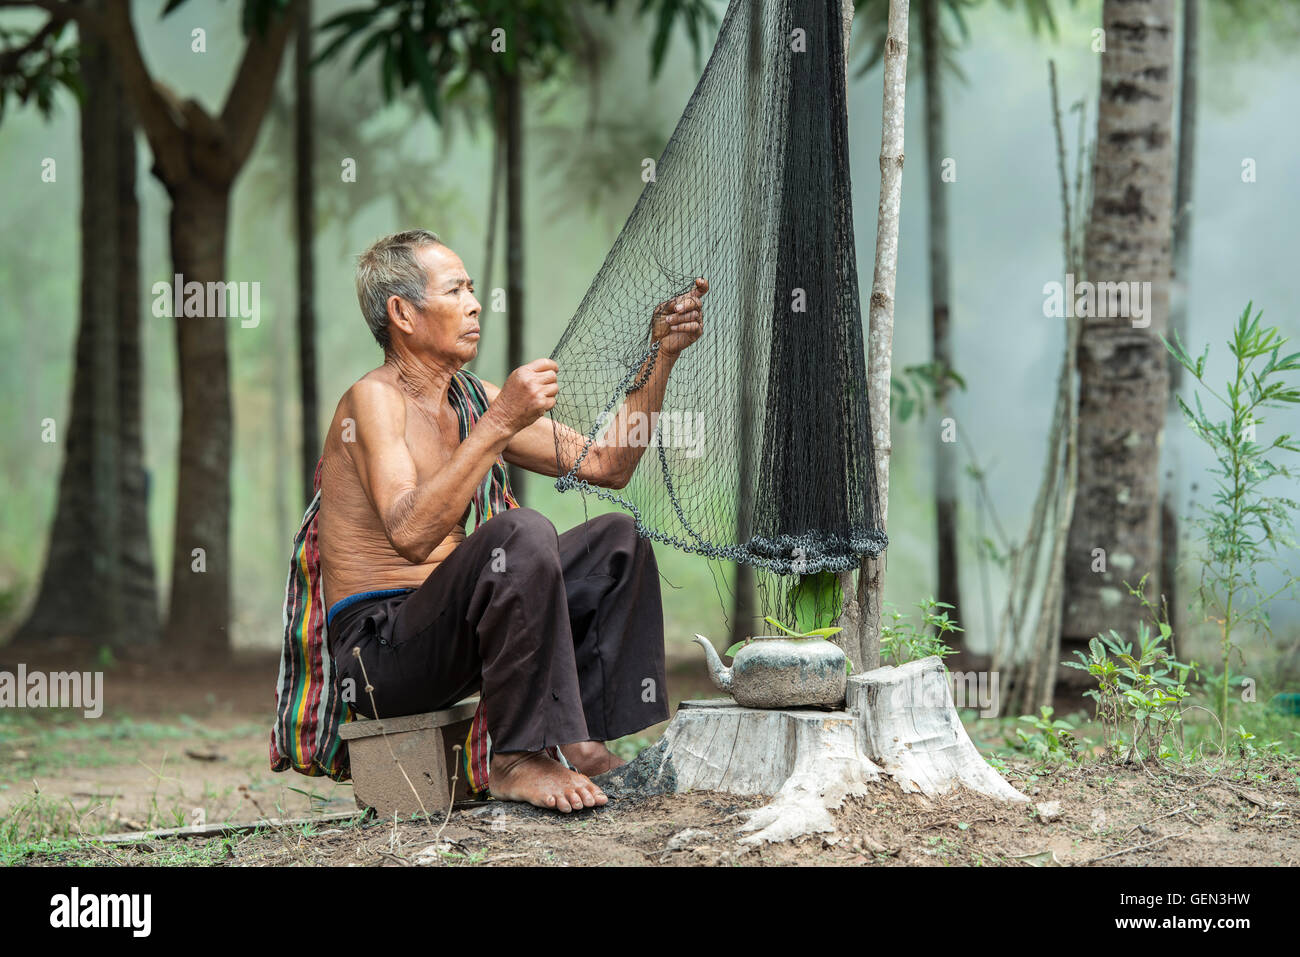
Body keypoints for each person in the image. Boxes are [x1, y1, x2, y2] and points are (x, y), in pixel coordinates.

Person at [317, 228, 707, 813]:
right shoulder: (374, 401)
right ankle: (518, 758)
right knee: (522, 534)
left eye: (472, 289)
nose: (475, 304)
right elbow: (411, 534)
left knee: (616, 542)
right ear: (403, 313)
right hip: (382, 655)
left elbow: (608, 463)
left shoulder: (471, 399)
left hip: (455, 631)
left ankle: (585, 743)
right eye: (455, 291)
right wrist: (500, 422)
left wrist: (661, 357)